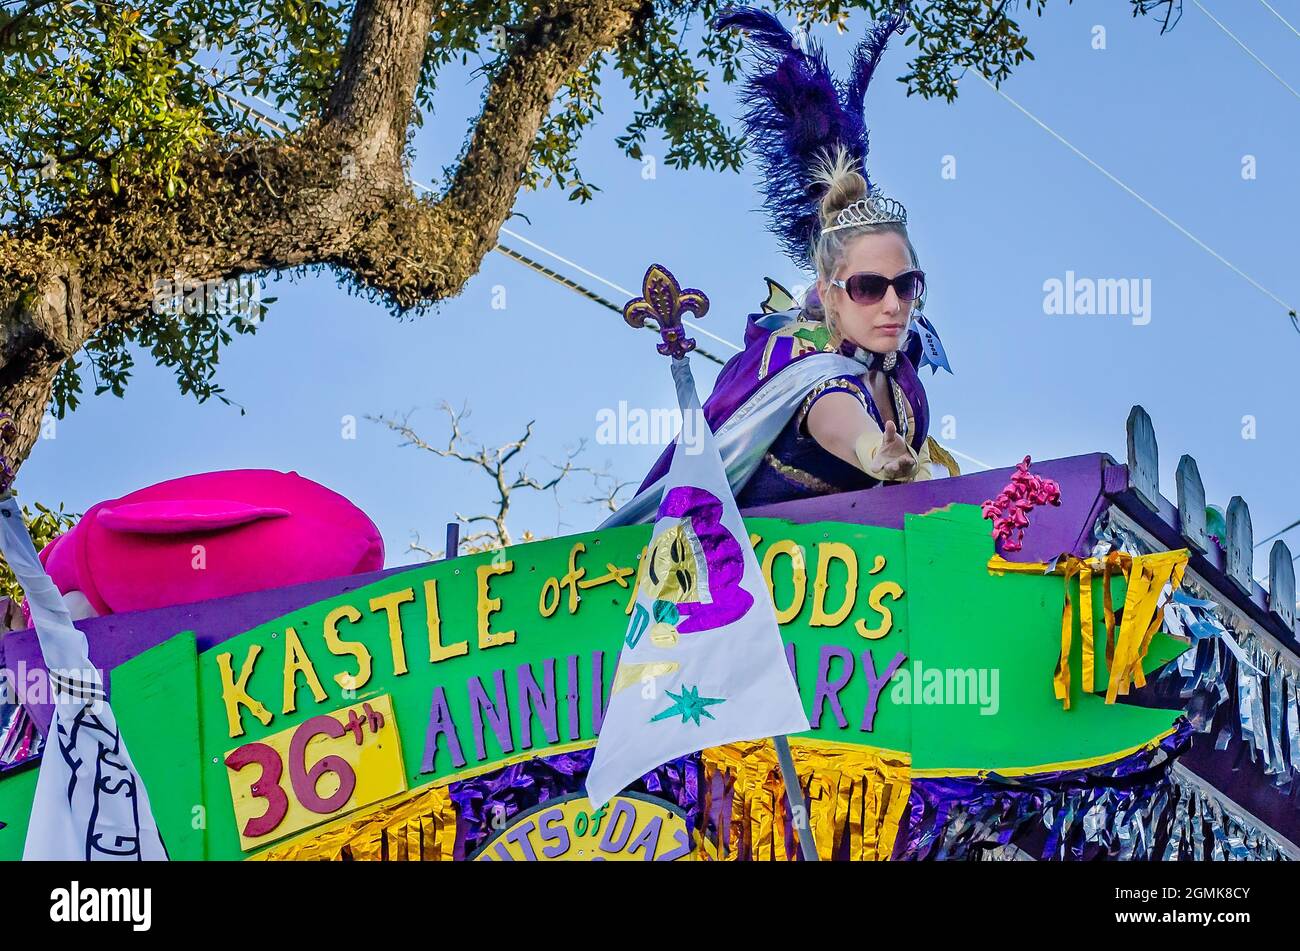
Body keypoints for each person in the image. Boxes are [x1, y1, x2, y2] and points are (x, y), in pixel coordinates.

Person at [602, 6, 951, 527]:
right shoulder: (799, 360)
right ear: (829, 293)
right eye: (868, 287)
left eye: (907, 285)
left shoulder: (906, 389)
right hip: (738, 582)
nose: (893, 304)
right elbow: (837, 414)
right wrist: (874, 452)